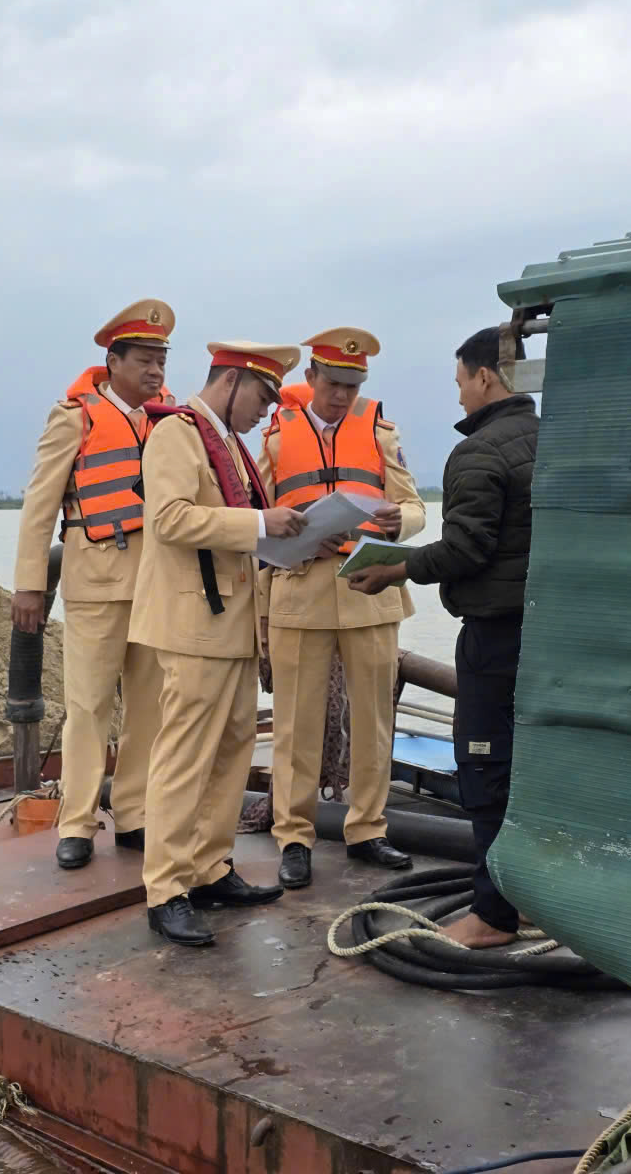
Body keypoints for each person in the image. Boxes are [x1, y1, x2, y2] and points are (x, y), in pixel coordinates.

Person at [349, 326, 539, 947]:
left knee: (484, 769)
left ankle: (492, 915)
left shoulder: (479, 452)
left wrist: (395, 569)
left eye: (460, 382)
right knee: (534, 772)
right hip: (544, 636)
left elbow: (466, 546)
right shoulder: (550, 439)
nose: (459, 397)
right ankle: (537, 899)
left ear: (484, 376)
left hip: (494, 638)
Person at [129, 340, 304, 946]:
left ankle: (208, 866)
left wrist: (281, 533)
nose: (264, 412)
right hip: (192, 624)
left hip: (229, 622)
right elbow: (170, 518)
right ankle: (166, 888)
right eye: (260, 397)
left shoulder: (228, 443)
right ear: (231, 380)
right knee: (183, 756)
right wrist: (260, 524)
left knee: (232, 749)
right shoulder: (177, 434)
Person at [259, 331, 426, 890]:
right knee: (295, 725)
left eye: (353, 386)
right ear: (311, 378)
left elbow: (414, 508)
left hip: (368, 590)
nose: (342, 397)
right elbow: (253, 513)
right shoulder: (278, 438)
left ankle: (368, 829)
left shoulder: (379, 429)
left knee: (374, 722)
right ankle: (294, 836)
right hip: (300, 590)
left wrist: (400, 522)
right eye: (333, 385)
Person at [12, 300, 175, 871]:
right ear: (113, 361)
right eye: (145, 361)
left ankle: (134, 814)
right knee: (88, 706)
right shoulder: (74, 417)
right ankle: (77, 822)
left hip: (156, 585)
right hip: (94, 580)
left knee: (150, 708)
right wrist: (31, 583)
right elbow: (39, 504)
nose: (156, 372)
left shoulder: (170, 422)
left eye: (162, 361)